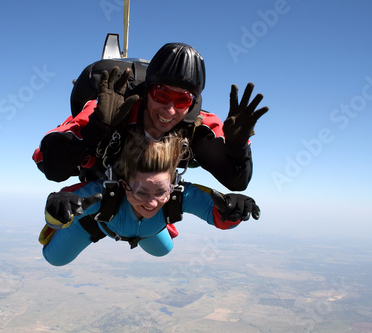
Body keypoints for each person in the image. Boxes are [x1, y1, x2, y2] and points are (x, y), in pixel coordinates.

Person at [32, 42, 269, 191]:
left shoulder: (198, 126)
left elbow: (237, 182)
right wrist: (98, 127)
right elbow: (52, 169)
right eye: (161, 94)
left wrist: (238, 146)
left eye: (182, 100)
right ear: (147, 92)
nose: (169, 110)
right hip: (104, 179)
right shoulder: (109, 107)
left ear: (194, 103)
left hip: (147, 197)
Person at [39, 131, 260, 266]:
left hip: (146, 229)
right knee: (55, 259)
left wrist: (233, 212)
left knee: (164, 251)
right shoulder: (102, 193)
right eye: (142, 192)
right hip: (94, 221)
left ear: (172, 186)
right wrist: (58, 210)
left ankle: (157, 225)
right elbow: (57, 215)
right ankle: (89, 221)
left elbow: (218, 216)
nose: (152, 202)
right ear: (123, 185)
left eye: (161, 192)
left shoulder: (179, 195)